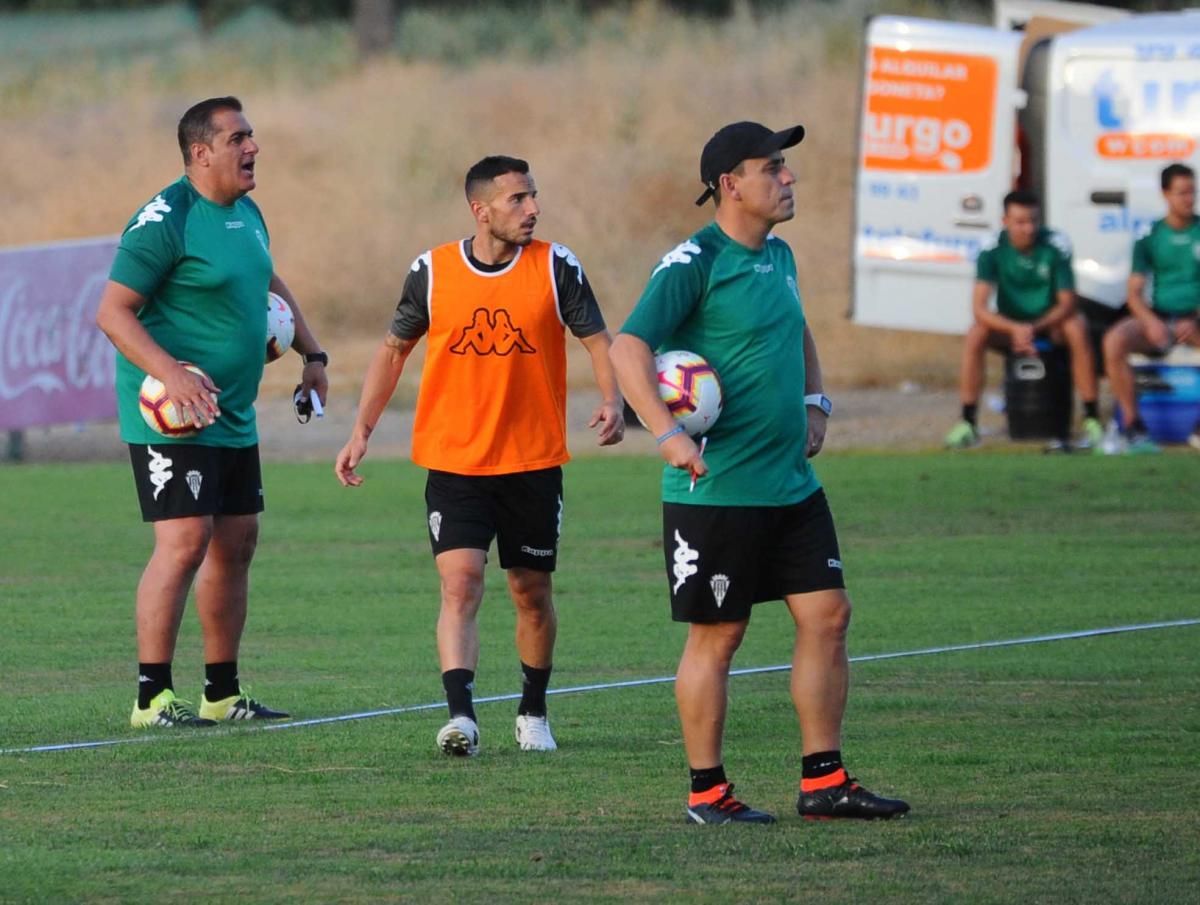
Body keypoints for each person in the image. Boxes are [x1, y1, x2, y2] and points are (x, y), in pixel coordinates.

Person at [610, 121, 909, 824]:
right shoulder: (692, 261)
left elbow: (797, 327)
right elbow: (629, 349)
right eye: (771, 166)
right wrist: (668, 435)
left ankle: (824, 781)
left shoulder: (780, 256)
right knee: (719, 636)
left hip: (790, 484)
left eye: (786, 165)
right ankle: (707, 792)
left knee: (829, 614)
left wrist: (814, 399)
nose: (788, 176)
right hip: (718, 487)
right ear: (729, 185)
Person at [334, 155, 624, 757]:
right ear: (480, 209)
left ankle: (533, 711)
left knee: (531, 592)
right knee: (460, 584)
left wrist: (614, 399)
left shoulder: (555, 266)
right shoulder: (432, 272)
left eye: (534, 196)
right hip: (455, 462)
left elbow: (596, 339)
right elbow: (392, 352)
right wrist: (361, 429)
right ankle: (462, 718)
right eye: (517, 199)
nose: (532, 209)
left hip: (533, 462)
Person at [95, 96, 329, 728]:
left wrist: (313, 353)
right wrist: (170, 374)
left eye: (252, 136)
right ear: (200, 153)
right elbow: (112, 312)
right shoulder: (166, 218)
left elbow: (267, 284)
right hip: (170, 412)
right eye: (238, 139)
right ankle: (151, 698)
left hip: (231, 411)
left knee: (237, 542)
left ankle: (221, 693)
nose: (252, 147)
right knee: (183, 541)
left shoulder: (247, 213)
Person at [944, 190, 1103, 450]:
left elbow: (1067, 302)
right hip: (1011, 326)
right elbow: (979, 307)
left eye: (1033, 221)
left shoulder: (1056, 243)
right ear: (1005, 221)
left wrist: (1033, 328)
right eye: (1020, 222)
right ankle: (967, 422)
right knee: (976, 333)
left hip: (1049, 324)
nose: (1028, 228)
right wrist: (1014, 328)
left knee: (1077, 325)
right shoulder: (991, 248)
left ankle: (1092, 419)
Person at [1102, 163, 1200, 453]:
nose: (1189, 199)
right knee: (1114, 340)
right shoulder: (1150, 236)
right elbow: (1133, 292)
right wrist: (1150, 322)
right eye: (1182, 193)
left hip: (1194, 319)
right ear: (1165, 194)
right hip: (1160, 317)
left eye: (1192, 192)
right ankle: (1133, 425)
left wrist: (1194, 319)